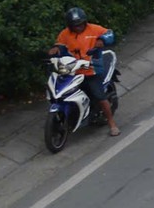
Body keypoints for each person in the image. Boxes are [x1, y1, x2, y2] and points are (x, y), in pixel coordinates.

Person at [49, 8, 119, 137]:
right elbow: (59, 45)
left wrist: (102, 40)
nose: (78, 27)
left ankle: (112, 124)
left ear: (85, 22)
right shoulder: (65, 34)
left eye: (80, 24)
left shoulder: (94, 29)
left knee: (99, 96)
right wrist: (55, 49)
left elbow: (110, 34)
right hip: (72, 71)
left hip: (91, 69)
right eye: (75, 26)